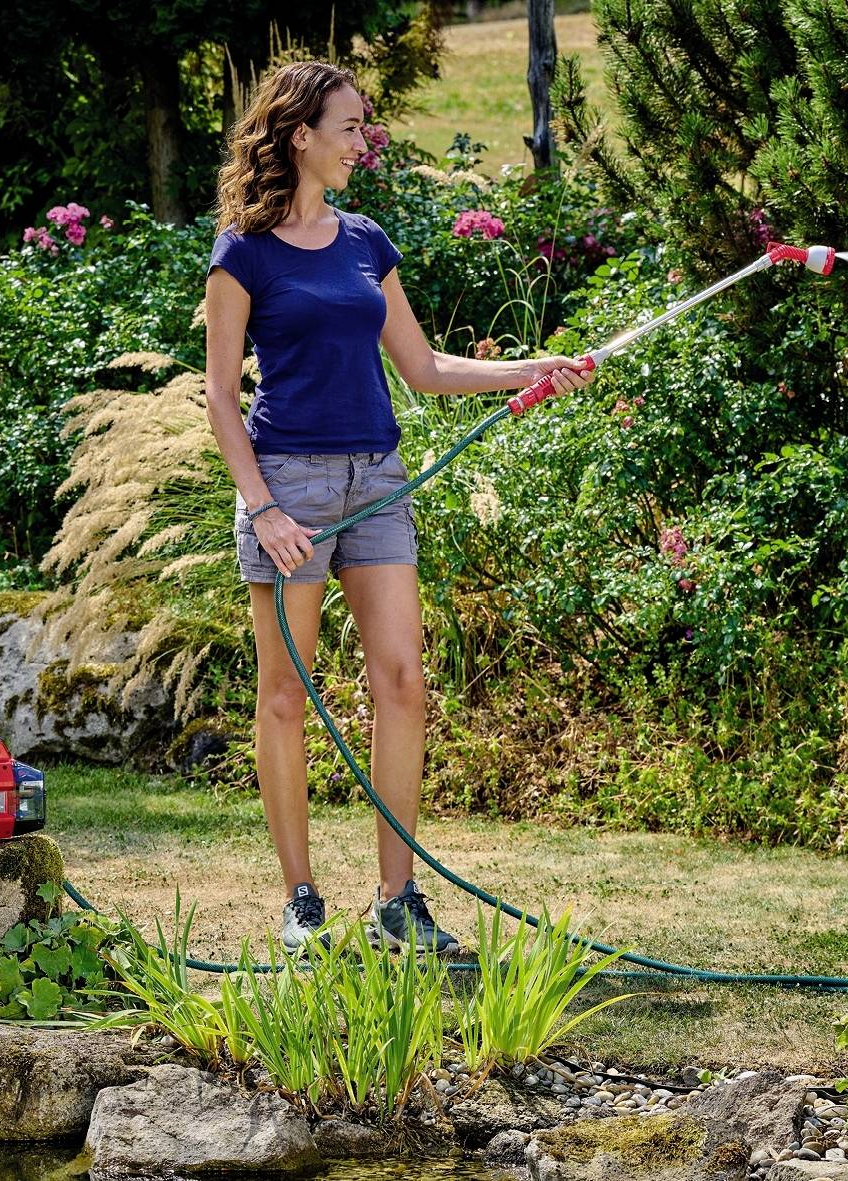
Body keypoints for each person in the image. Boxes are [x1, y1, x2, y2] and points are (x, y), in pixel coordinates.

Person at [204, 60, 592, 954]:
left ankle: (396, 900)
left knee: (403, 681)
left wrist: (532, 369)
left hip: (377, 481)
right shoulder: (243, 251)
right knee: (285, 697)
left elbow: (422, 367)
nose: (361, 143)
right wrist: (262, 508)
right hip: (289, 488)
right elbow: (221, 395)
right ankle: (302, 900)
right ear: (299, 134)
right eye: (349, 128)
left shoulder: (364, 241)